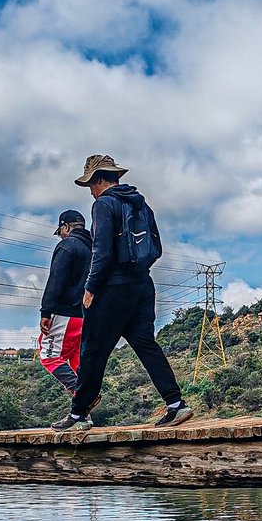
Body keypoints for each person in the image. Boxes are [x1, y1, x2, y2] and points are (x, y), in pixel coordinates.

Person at [51, 155, 193, 431]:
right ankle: (176, 404)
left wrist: (91, 287)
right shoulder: (141, 204)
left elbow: (101, 250)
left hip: (112, 290)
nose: (90, 190)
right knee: (146, 344)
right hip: (142, 285)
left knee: (93, 350)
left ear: (99, 179)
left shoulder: (104, 204)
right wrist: (135, 273)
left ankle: (79, 415)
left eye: (90, 184)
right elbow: (156, 248)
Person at [38, 209, 92, 399]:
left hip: (65, 313)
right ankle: (81, 414)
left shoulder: (67, 246)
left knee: (49, 356)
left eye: (60, 231)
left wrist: (46, 311)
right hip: (86, 316)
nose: (60, 236)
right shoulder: (94, 248)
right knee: (77, 361)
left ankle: (84, 394)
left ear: (66, 227)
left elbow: (56, 280)